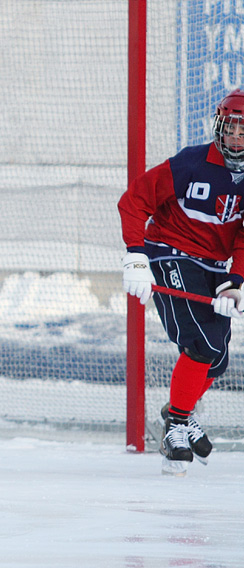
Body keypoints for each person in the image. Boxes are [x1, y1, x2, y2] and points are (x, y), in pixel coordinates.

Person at [118, 88, 244, 475]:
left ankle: (179, 411)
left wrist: (236, 281)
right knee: (202, 344)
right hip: (170, 250)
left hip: (213, 264)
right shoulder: (192, 161)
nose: (236, 138)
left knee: (218, 358)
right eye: (231, 129)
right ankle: (175, 425)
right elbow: (134, 200)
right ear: (219, 127)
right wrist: (136, 255)